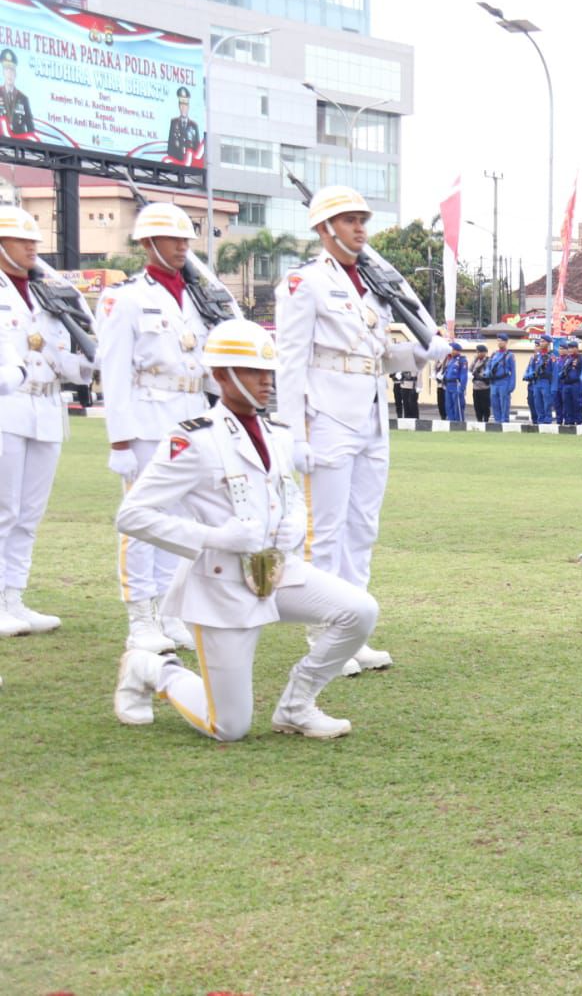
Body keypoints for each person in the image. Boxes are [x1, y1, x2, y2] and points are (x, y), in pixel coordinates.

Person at [112, 319, 378, 741]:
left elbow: (284, 492)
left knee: (359, 611)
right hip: (221, 586)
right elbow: (133, 516)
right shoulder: (193, 441)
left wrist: (294, 521)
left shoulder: (277, 435)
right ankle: (152, 668)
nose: (266, 382)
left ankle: (297, 705)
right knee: (228, 727)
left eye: (269, 372)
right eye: (254, 371)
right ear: (220, 376)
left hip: (276, 572)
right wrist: (213, 538)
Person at [273, 185, 449, 677]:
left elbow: (373, 356)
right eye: (349, 220)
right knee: (325, 532)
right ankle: (323, 632)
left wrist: (418, 353)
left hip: (372, 414)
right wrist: (294, 433)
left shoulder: (374, 285)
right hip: (325, 416)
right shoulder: (303, 284)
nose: (359, 228)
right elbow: (290, 362)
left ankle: (353, 630)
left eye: (361, 220)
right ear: (325, 229)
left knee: (362, 529)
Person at [98, 201, 240, 654]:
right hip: (144, 418)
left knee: (181, 522)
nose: (183, 246)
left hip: (191, 414)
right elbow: (115, 372)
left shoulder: (201, 298)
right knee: (141, 522)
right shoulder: (125, 298)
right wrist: (118, 439)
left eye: (186, 239)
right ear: (148, 243)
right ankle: (141, 616)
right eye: (173, 239)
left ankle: (170, 611)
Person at [0, 206, 93, 636]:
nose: (32, 249)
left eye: (35, 241)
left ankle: (14, 598)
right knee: (4, 509)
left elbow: (68, 358)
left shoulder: (47, 293)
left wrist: (89, 358)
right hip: (8, 406)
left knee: (30, 513)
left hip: (47, 408)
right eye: (22, 241)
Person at [0, 48, 35, 140]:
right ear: (3, 72)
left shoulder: (23, 99)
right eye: (7, 70)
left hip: (19, 146)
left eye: (12, 71)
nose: (9, 75)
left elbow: (31, 128)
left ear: (15, 74)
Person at [523, 334, 555, 423]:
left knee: (547, 404)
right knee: (537, 403)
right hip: (537, 382)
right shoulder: (536, 356)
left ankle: (547, 421)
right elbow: (530, 368)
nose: (541, 343)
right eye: (540, 341)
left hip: (546, 382)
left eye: (543, 341)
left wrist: (553, 388)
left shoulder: (551, 357)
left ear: (548, 343)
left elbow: (555, 374)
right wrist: (529, 375)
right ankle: (540, 421)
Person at [165, 87, 201, 167]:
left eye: (185, 105)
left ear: (188, 107)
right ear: (179, 106)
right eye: (181, 105)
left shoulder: (194, 126)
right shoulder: (174, 123)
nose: (183, 108)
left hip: (189, 163)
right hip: (175, 162)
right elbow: (170, 147)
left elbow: (197, 149)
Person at [487, 332, 516, 423]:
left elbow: (513, 372)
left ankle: (504, 421)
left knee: (504, 404)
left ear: (506, 342)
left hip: (504, 382)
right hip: (494, 383)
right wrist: (487, 373)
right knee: (494, 403)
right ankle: (497, 421)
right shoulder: (494, 354)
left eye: (502, 341)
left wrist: (511, 386)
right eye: (498, 341)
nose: (499, 343)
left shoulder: (509, 356)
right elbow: (488, 367)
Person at [558, 338, 582, 424]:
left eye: (572, 348)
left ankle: (578, 421)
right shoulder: (567, 359)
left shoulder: (581, 359)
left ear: (577, 348)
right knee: (567, 404)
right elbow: (563, 370)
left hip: (575, 384)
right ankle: (569, 421)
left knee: (577, 404)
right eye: (569, 348)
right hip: (566, 384)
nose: (570, 350)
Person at [440, 343, 468, 421]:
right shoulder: (451, 360)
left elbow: (463, 375)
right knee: (448, 406)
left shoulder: (462, 360)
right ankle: (451, 422)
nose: (450, 351)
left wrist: (462, 388)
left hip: (456, 385)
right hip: (448, 385)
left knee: (457, 406)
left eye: (452, 349)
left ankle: (459, 424)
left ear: (457, 350)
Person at [469, 344, 491, 422]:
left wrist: (479, 375)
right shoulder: (476, 361)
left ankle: (486, 419)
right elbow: (470, 369)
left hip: (484, 387)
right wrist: (474, 360)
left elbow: (488, 373)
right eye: (477, 352)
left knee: (485, 406)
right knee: (477, 406)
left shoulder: (488, 361)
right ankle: (479, 419)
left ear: (484, 353)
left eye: (479, 352)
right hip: (476, 387)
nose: (477, 354)